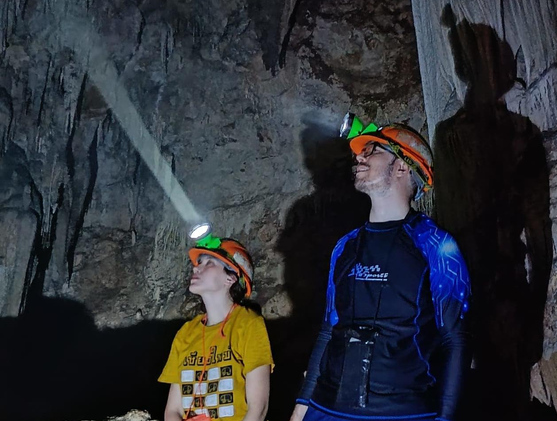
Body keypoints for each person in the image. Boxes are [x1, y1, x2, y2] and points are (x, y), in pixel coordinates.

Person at [289, 118, 471, 421]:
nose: (359, 157)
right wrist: (302, 405)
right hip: (328, 407)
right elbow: (329, 328)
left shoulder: (436, 245)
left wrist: (445, 418)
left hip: (401, 412)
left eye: (371, 150)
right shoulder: (344, 246)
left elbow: (456, 338)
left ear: (402, 166)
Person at [159, 237, 274, 421]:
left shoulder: (248, 324)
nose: (196, 268)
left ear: (230, 278)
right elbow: (172, 410)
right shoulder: (186, 333)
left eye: (209, 263)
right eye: (199, 262)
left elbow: (258, 407)